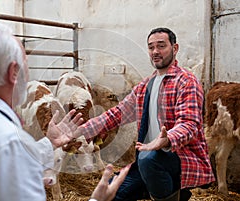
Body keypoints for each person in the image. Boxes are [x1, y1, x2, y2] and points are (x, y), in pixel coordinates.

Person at [0, 22, 130, 201]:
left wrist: (49, 143)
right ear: (13, 72)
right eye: (26, 66)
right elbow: (10, 155)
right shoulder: (8, 141)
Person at [75, 27, 215, 201]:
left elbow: (190, 123)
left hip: (180, 157)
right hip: (145, 161)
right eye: (151, 47)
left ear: (175, 48)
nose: (155, 51)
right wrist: (79, 132)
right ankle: (169, 190)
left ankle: (173, 193)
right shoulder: (145, 86)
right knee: (109, 193)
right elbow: (116, 114)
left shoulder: (186, 81)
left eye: (161, 46)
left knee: (149, 158)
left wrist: (167, 139)